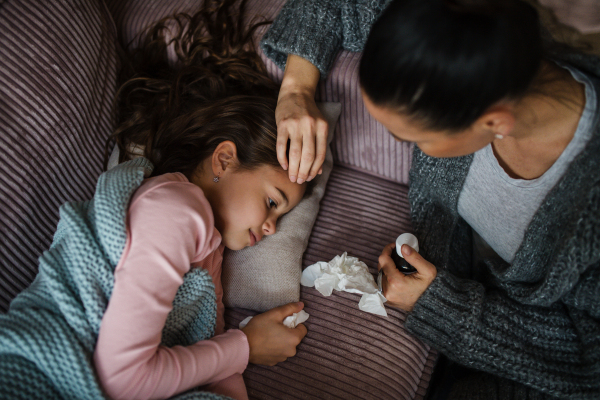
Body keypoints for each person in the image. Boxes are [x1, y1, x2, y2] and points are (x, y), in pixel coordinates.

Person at [261, 0, 600, 398]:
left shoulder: (587, 212)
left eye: (415, 139)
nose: (404, 146)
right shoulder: (459, 36)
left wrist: (440, 305)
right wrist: (297, 90)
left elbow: (588, 356)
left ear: (495, 123)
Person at [0, 1, 307, 400]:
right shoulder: (178, 210)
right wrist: (243, 347)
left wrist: (236, 354)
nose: (272, 228)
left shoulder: (209, 253)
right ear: (225, 159)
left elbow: (201, 356)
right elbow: (124, 379)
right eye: (271, 202)